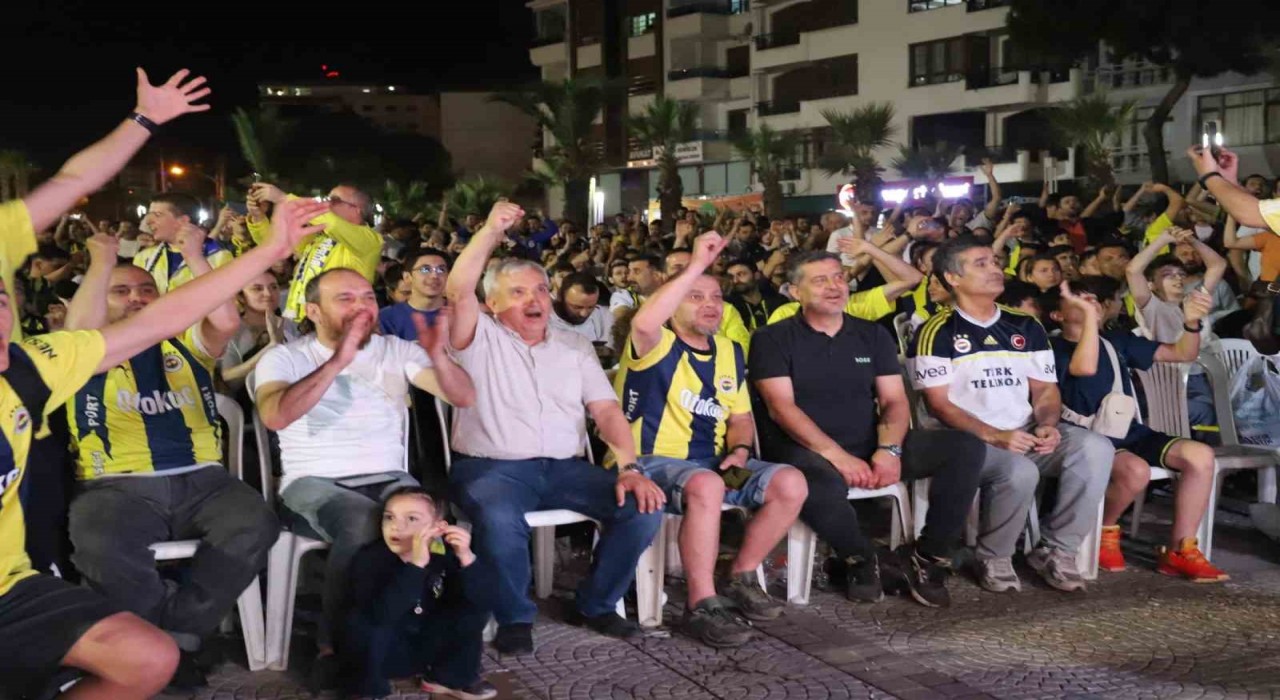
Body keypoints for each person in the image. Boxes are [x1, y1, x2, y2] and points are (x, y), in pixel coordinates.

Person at [443, 201, 665, 655]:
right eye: (518, 292)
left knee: (642, 506)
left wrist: (629, 467)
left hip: (565, 468)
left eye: (541, 290)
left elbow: (606, 411)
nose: (534, 300)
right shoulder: (477, 336)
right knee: (499, 519)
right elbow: (458, 290)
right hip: (492, 469)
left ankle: (595, 603)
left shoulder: (574, 346)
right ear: (492, 304)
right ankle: (514, 616)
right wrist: (490, 231)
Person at [61, 229, 280, 687]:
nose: (137, 298)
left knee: (255, 523)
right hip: (116, 485)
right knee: (99, 544)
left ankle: (175, 633)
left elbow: (224, 320)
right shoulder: (83, 352)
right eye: (121, 291)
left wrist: (196, 256)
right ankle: (167, 645)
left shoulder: (183, 341)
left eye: (146, 289)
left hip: (205, 481)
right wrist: (102, 263)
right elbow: (78, 328)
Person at [254, 265, 475, 687]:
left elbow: (463, 397)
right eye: (346, 299)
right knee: (362, 521)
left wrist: (438, 355)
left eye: (368, 298)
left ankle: (433, 642)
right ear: (314, 311)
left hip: (389, 475)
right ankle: (333, 648)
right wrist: (340, 359)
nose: (362, 308)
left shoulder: (395, 349)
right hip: (314, 482)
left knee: (430, 519)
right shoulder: (285, 357)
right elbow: (275, 415)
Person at [751, 251, 985, 608]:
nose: (834, 286)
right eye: (820, 281)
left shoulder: (872, 334)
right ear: (795, 292)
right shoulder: (772, 338)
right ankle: (860, 558)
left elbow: (894, 400)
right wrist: (837, 456)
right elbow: (781, 408)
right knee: (814, 481)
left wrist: (888, 449)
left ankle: (928, 556)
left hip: (867, 441)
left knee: (964, 448)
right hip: (804, 449)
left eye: (838, 277)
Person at [618, 232, 807, 647]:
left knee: (789, 482)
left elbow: (740, 417)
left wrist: (739, 451)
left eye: (717, 297)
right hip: (650, 466)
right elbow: (644, 321)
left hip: (716, 467)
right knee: (707, 485)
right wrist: (696, 265)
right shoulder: (656, 342)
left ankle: (740, 574)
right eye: (695, 296)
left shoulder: (728, 351)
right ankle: (701, 603)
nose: (710, 305)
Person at [911, 237, 1114, 593]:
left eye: (995, 262)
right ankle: (994, 556)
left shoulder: (1026, 325)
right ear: (952, 278)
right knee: (1018, 470)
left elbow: (1046, 390)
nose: (995, 269)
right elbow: (939, 406)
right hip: (969, 442)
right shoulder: (936, 330)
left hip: (1024, 431)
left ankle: (1057, 550)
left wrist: (1048, 424)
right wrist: (994, 435)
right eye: (981, 264)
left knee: (1095, 448)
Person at [1042, 279, 1227, 582]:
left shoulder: (1117, 341)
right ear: (1057, 315)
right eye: (1079, 300)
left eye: (1093, 299)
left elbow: (1182, 353)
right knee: (1135, 471)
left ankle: (1180, 550)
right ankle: (1104, 530)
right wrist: (1090, 321)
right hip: (1085, 437)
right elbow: (1084, 367)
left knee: (1200, 455)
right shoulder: (1052, 346)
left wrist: (1192, 323)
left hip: (1128, 431)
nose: (1091, 303)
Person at [340, 487, 495, 700]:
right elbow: (382, 615)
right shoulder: (370, 558)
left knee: (472, 604)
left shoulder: (444, 554)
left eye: (412, 518)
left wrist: (466, 557)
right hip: (383, 654)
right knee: (360, 619)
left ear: (437, 528)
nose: (396, 526)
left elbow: (484, 601)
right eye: (389, 517)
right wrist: (416, 566)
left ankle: (447, 677)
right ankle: (367, 691)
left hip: (425, 649)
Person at [246, 181, 383, 322]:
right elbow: (277, 246)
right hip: (297, 324)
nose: (326, 203)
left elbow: (333, 224)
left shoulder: (370, 241)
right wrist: (258, 217)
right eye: (327, 198)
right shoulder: (319, 237)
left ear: (357, 209)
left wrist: (284, 200)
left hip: (331, 327)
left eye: (335, 200)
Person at [217, 271, 301, 398]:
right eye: (257, 289)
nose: (268, 293)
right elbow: (228, 379)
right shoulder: (230, 332)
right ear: (241, 296)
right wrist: (271, 346)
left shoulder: (291, 325)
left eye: (273, 287)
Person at [134, 192, 234, 293]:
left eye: (158, 215)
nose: (148, 221)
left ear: (183, 220)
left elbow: (225, 297)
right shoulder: (145, 257)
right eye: (149, 215)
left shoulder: (217, 256)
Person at [380, 247, 450, 341]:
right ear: (407, 277)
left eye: (441, 270)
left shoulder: (464, 313)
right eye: (425, 270)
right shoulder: (386, 318)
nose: (434, 276)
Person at [550, 271, 615, 351]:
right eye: (577, 307)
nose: (584, 314)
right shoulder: (543, 322)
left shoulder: (605, 316)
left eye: (591, 307)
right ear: (560, 297)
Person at [726, 258, 787, 332]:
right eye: (731, 277)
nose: (735, 280)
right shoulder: (728, 307)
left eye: (741, 274)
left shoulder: (778, 301)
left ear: (756, 275)